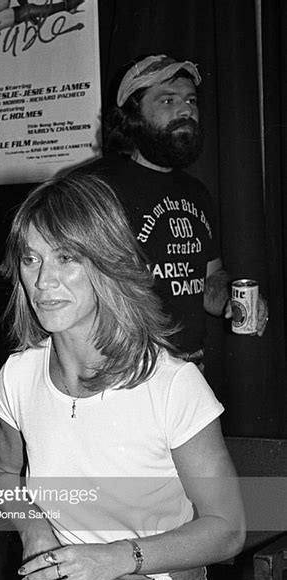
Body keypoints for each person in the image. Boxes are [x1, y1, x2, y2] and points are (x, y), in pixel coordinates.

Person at [0, 172, 245, 580]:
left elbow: (228, 529)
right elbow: (4, 482)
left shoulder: (170, 384)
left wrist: (115, 558)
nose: (44, 281)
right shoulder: (18, 376)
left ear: (108, 264)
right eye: (31, 259)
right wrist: (33, 531)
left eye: (67, 258)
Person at [72, 54, 268, 365]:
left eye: (191, 100)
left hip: (189, 370)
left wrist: (232, 296)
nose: (186, 109)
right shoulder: (90, 187)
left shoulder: (196, 192)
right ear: (133, 114)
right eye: (167, 100)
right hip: (120, 372)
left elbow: (207, 281)